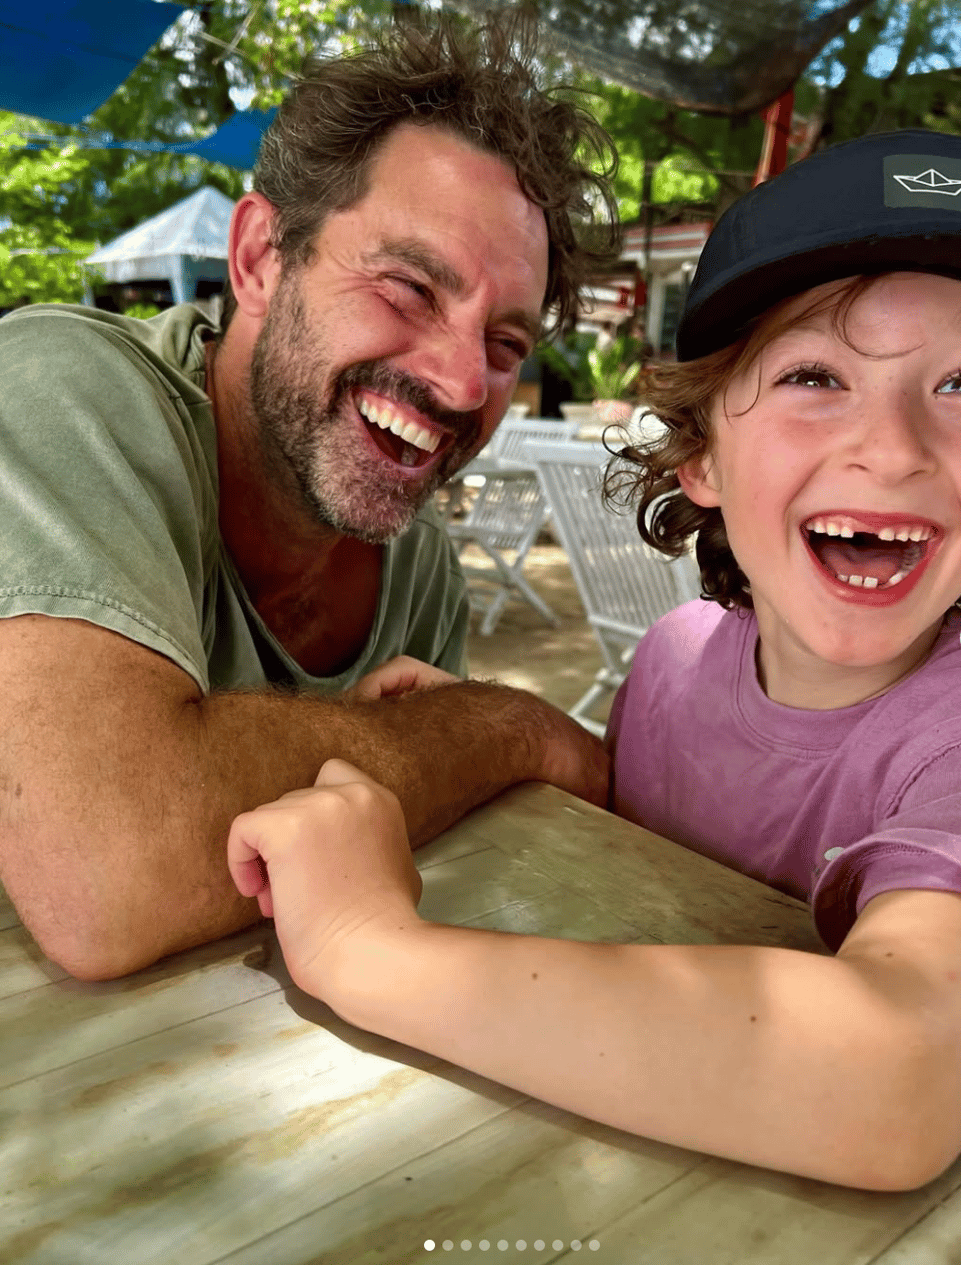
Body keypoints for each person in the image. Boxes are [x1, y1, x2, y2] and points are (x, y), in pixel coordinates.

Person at [224, 129, 961, 1192]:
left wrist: (372, 946)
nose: (892, 447)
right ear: (699, 454)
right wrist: (531, 734)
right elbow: (669, 825)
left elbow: (898, 1071)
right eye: (814, 373)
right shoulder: (675, 656)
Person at [0, 11, 615, 982]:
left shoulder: (412, 563)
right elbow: (111, 879)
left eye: (504, 343)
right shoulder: (58, 387)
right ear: (257, 259)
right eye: (409, 286)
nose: (463, 386)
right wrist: (512, 727)